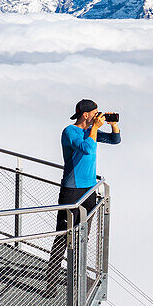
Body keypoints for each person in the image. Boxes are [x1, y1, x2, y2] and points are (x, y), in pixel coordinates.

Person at [46, 99, 121, 293]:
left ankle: (76, 280)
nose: (98, 116)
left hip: (89, 191)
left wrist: (113, 125)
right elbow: (87, 148)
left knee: (82, 237)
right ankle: (51, 282)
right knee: (63, 237)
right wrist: (94, 129)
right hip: (71, 192)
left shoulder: (90, 132)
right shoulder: (70, 132)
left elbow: (115, 141)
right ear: (85, 114)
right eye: (95, 113)